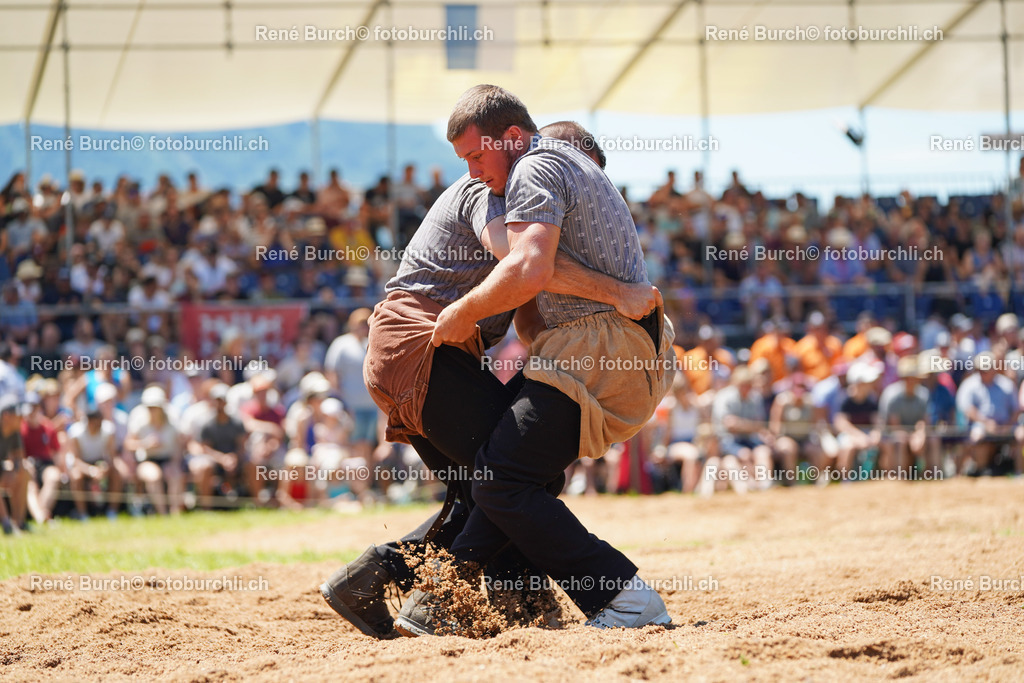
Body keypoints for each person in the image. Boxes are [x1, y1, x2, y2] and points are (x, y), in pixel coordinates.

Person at [319, 118, 658, 639]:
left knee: (485, 487)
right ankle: (452, 595)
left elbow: (527, 301)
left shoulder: (512, 180)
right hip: (423, 343)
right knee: (515, 476)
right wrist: (616, 293)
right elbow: (525, 262)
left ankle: (383, 580)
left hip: (416, 350)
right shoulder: (495, 188)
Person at [411, 87, 676, 634]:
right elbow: (532, 319)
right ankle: (445, 604)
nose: (472, 172)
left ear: (511, 138)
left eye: (476, 157)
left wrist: (463, 312)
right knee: (505, 473)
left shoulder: (535, 166)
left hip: (597, 349)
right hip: (599, 349)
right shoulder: (557, 167)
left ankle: (624, 599)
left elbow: (528, 266)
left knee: (501, 478)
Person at [126, 386, 185, 515]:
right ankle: (163, 514)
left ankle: (175, 514)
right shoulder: (139, 420)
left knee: (175, 475)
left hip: (168, 459)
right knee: (153, 477)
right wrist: (145, 444)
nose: (152, 411)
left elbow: (179, 445)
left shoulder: (173, 420)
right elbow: (129, 444)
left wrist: (175, 462)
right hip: (146, 460)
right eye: (149, 407)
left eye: (154, 407)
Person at [0, 400, 30, 534]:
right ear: (6, 415)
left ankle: (19, 522)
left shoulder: (14, 432)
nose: (22, 420)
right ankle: (6, 524)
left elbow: (19, 457)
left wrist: (15, 470)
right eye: (19, 416)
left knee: (24, 472)